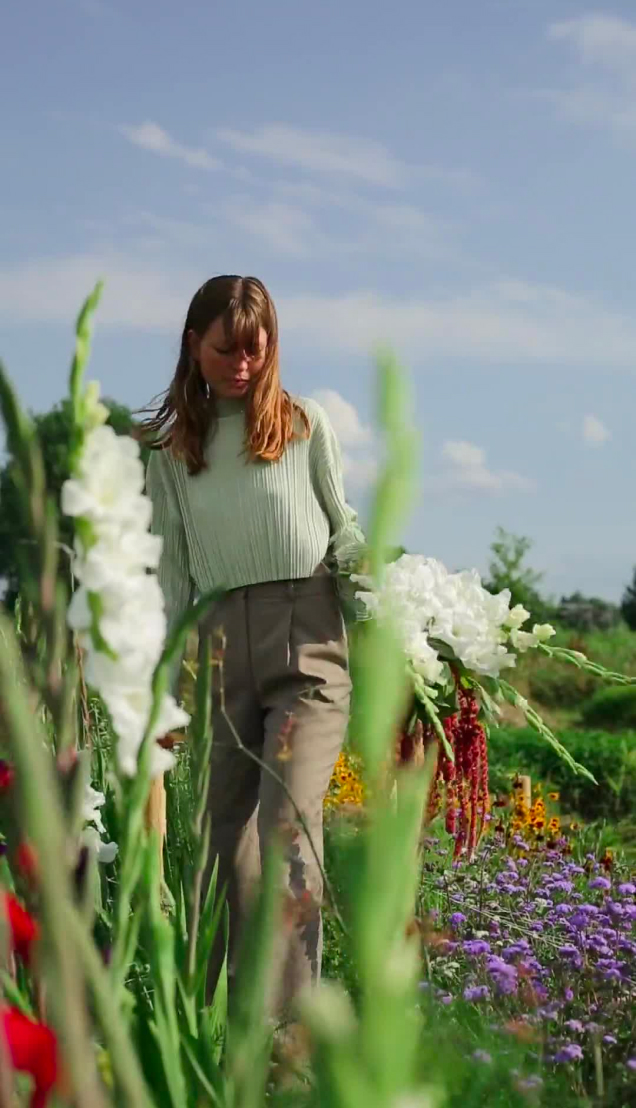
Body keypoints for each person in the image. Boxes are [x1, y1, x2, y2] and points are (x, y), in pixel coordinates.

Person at [141, 275, 365, 1020]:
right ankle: (214, 1027)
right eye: (224, 349)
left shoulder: (304, 425)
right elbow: (172, 570)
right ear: (193, 346)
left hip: (307, 641)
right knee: (213, 842)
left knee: (287, 828)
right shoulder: (173, 451)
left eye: (255, 349)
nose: (241, 363)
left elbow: (345, 529)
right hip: (213, 649)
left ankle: (294, 1041)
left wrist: (383, 609)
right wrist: (161, 683)